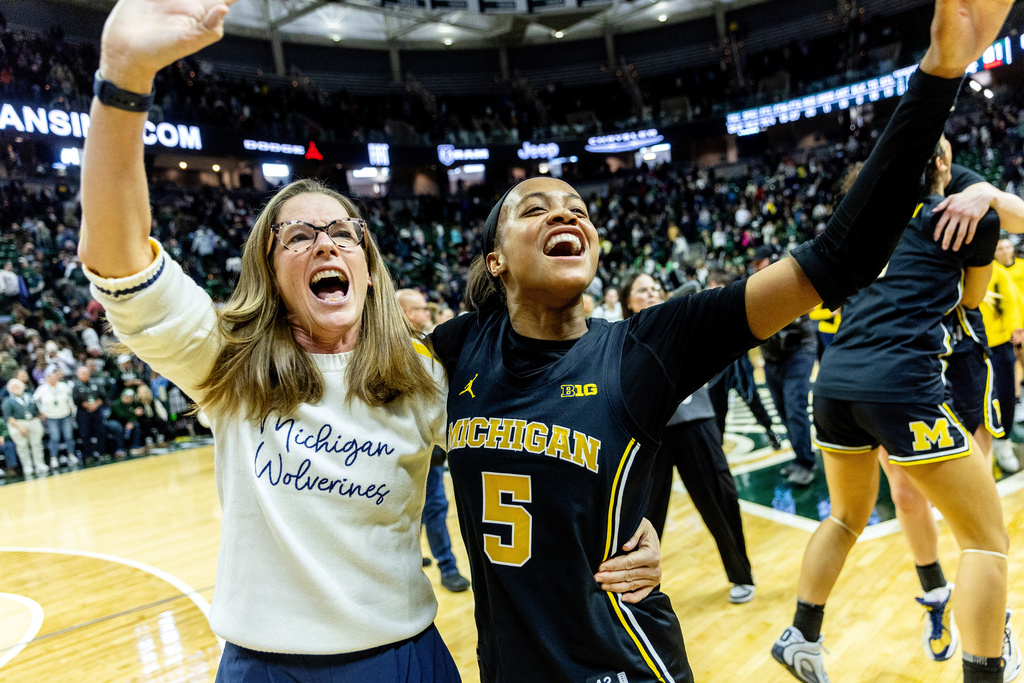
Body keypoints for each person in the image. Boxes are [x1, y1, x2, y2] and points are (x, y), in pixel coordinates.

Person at [428, 3, 1016, 676]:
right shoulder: (454, 350)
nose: (565, 211)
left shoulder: (648, 344)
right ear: (494, 259)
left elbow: (836, 259)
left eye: (579, 208)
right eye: (535, 206)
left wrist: (940, 72)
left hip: (630, 661)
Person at [80, 3, 660, 679]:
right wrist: (123, 77)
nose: (325, 241)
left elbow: (546, 451)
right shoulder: (227, 361)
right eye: (299, 234)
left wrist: (630, 529)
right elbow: (120, 260)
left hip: (405, 656)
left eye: (343, 231)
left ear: (368, 266)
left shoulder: (426, 376)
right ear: (271, 269)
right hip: (269, 665)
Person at [775, 133, 1017, 683]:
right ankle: (986, 672)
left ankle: (801, 635)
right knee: (985, 540)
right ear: (940, 167)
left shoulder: (858, 230)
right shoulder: (966, 218)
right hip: (902, 384)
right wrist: (984, 200)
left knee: (843, 516)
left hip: (833, 385)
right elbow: (973, 299)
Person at [622, 271, 756, 605]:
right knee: (644, 513)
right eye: (643, 290)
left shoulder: (677, 320)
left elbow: (697, 291)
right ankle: (636, 586)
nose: (652, 292)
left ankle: (742, 575)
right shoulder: (621, 336)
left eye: (656, 288)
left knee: (720, 497)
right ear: (628, 300)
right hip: (650, 435)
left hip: (696, 422)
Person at [397, 287, 472, 593]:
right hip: (401, 455)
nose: (426, 315)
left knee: (436, 507)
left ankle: (447, 567)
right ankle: (420, 559)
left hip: (434, 453)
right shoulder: (386, 351)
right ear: (402, 312)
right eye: (420, 310)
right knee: (406, 511)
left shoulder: (433, 345)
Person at [751, 245, 818, 485]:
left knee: (795, 407)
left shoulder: (789, 277)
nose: (756, 268)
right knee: (782, 410)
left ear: (770, 260)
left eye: (759, 263)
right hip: (772, 359)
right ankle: (800, 457)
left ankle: (805, 464)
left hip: (798, 352)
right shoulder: (756, 285)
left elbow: (799, 314)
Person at [705, 271, 783, 450]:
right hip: (717, 369)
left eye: (714, 286)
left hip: (739, 365)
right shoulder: (707, 307)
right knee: (717, 409)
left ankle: (771, 432)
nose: (711, 290)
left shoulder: (737, 304)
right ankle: (718, 446)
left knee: (753, 400)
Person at [34, 366, 78, 467]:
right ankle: (54, 457)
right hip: (51, 416)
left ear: (57, 378)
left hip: (65, 414)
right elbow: (35, 401)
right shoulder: (42, 389)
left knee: (69, 436)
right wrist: (41, 411)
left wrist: (72, 407)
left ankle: (71, 455)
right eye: (50, 377)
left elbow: (70, 398)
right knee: (55, 437)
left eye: (54, 377)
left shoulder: (63, 386)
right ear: (46, 378)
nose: (52, 379)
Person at [2, 377, 46, 476]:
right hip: (17, 423)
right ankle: (27, 466)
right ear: (9, 389)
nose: (16, 388)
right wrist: (19, 427)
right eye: (13, 387)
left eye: (17, 386)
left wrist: (38, 418)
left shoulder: (30, 396)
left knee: (37, 444)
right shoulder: (8, 401)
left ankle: (39, 463)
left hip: (33, 421)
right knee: (22, 446)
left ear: (22, 386)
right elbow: (8, 417)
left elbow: (37, 411)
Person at [72, 364, 109, 464]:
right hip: (83, 413)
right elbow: (75, 400)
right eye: (82, 373)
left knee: (100, 432)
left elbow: (103, 396)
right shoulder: (76, 386)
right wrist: (87, 405)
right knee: (85, 434)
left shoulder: (96, 383)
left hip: (97, 411)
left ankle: (103, 453)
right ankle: (88, 456)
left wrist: (96, 404)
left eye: (86, 372)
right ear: (78, 375)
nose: (84, 374)